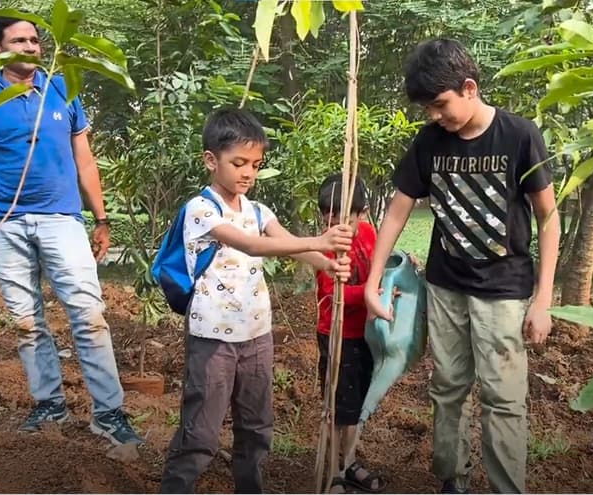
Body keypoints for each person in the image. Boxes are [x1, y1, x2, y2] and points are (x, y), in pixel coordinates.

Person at [364, 38, 560, 494]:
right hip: (446, 285)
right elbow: (397, 211)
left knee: (503, 397)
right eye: (428, 109)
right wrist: (373, 281)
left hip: (504, 289)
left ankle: (506, 488)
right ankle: (452, 481)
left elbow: (548, 217)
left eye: (440, 104)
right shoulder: (430, 141)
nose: (435, 116)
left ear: (469, 88)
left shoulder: (519, 135)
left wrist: (543, 299)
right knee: (447, 385)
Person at [0, 15, 142, 445]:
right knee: (26, 322)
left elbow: (84, 159)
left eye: (35, 40)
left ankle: (109, 413)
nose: (31, 47)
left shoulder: (62, 89)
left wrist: (101, 218)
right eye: (19, 40)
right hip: (2, 223)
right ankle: (49, 406)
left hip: (61, 219)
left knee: (89, 315)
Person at [159, 108, 354, 494]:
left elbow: (287, 243)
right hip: (213, 338)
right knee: (201, 432)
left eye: (255, 164)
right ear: (211, 160)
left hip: (257, 336)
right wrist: (319, 240)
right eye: (239, 163)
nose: (248, 173)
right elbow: (251, 245)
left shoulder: (258, 210)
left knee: (256, 427)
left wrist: (327, 263)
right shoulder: (201, 210)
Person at [315, 174, 385, 494]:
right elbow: (333, 292)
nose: (335, 229)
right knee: (337, 406)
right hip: (337, 335)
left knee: (355, 406)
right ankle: (333, 471)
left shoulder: (369, 233)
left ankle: (350, 462)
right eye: (327, 221)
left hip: (364, 334)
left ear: (362, 213)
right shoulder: (326, 247)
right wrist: (371, 294)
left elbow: (379, 267)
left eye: (344, 221)